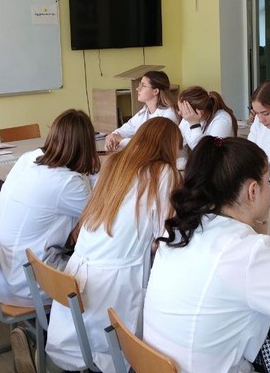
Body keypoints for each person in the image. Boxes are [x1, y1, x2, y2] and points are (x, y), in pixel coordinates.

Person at [144, 136, 270, 372]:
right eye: (267, 183)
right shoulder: (245, 252)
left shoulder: (181, 230)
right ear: (253, 190)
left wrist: (258, 221)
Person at [47, 117, 182, 372]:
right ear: (168, 147)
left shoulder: (115, 163)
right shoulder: (163, 173)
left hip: (80, 270)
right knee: (115, 349)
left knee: (86, 343)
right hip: (115, 281)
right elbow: (164, 236)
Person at [0, 109, 96, 307]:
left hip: (0, 278)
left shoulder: (28, 158)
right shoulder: (68, 183)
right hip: (27, 284)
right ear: (87, 147)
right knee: (103, 278)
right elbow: (101, 213)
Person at [105, 70, 178, 150]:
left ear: (155, 91)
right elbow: (126, 128)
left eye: (143, 85)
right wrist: (112, 136)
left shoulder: (169, 115)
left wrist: (121, 140)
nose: (137, 89)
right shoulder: (144, 112)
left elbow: (151, 147)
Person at [177, 86, 237, 150]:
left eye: (182, 110)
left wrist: (194, 125)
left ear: (200, 112)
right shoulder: (189, 118)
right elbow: (178, 142)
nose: (179, 113)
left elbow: (205, 152)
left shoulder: (222, 120)